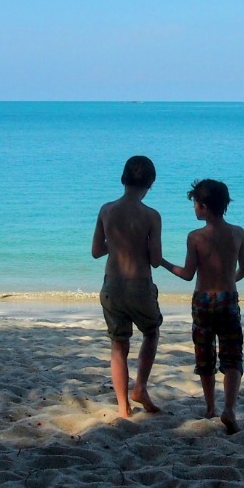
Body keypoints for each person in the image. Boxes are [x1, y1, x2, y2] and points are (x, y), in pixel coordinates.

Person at [162, 179, 244, 434]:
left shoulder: (195, 237)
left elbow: (188, 274)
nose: (194, 209)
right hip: (228, 300)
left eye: (195, 204)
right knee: (232, 355)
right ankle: (230, 409)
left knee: (205, 355)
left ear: (203, 206)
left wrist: (163, 263)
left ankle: (210, 406)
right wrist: (228, 281)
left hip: (202, 301)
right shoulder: (238, 232)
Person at [92, 155, 164, 418]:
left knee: (119, 345)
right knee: (151, 332)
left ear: (123, 179)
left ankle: (123, 407)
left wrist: (119, 244)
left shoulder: (106, 210)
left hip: (112, 285)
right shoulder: (151, 216)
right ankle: (140, 388)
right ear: (151, 183)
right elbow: (155, 260)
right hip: (139, 285)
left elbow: (96, 251)